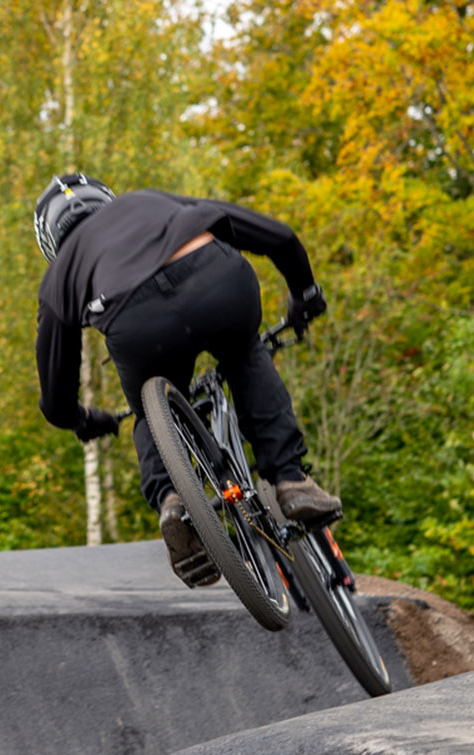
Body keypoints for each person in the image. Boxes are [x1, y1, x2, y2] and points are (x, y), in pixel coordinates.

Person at [31, 173, 342, 588]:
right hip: (215, 282)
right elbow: (279, 236)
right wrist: (304, 292)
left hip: (139, 325)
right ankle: (290, 480)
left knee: (149, 408)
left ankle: (174, 502)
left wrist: (86, 418)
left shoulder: (59, 277)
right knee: (242, 354)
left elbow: (55, 399)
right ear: (106, 200)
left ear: (51, 239)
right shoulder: (149, 201)